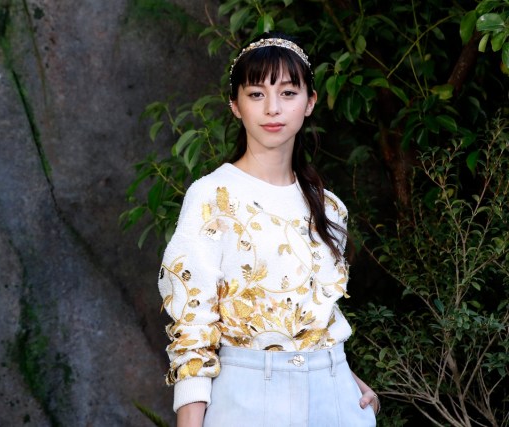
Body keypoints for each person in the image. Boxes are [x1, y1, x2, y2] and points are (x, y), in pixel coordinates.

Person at [158, 31, 380, 426]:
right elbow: (193, 330)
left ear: (310, 102)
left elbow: (317, 322)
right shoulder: (211, 196)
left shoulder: (329, 208)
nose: (273, 108)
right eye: (256, 94)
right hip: (245, 399)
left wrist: (350, 383)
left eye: (288, 93)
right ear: (235, 106)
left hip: (337, 401)